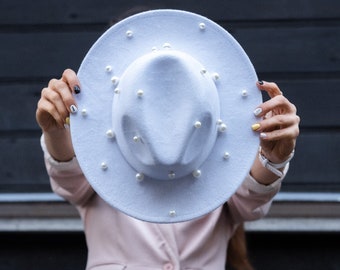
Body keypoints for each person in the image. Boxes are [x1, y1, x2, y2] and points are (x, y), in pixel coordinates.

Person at [36, 66, 299, 269]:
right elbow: (70, 183)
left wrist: (273, 158)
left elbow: (249, 203)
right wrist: (56, 132)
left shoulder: (218, 149)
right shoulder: (98, 148)